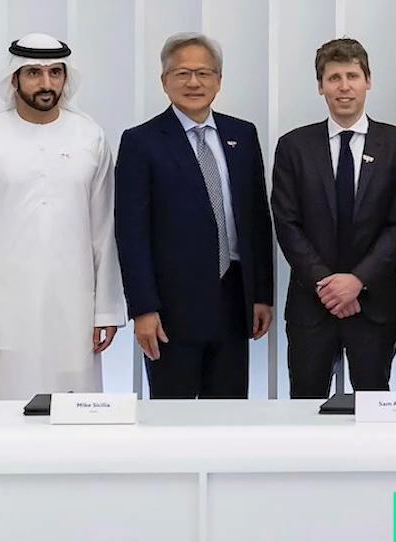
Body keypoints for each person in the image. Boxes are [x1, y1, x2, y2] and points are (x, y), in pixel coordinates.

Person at [0, 35, 124, 398]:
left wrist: (106, 311)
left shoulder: (90, 138)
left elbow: (105, 231)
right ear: (14, 78)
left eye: (55, 73)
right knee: (1, 412)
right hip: (1, 311)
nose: (46, 83)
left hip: (73, 308)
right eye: (33, 73)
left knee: (72, 413)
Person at [114, 33, 275, 400]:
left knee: (229, 413)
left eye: (203, 73)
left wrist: (261, 295)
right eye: (182, 73)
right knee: (172, 416)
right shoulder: (141, 141)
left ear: (218, 80)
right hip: (171, 307)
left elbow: (256, 221)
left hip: (234, 299)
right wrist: (143, 308)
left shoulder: (242, 135)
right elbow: (131, 233)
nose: (193, 83)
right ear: (164, 81)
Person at [272, 38, 396, 396]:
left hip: (375, 303)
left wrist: (357, 281)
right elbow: (287, 223)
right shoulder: (294, 147)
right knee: (304, 404)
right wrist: (328, 285)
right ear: (320, 86)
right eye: (334, 77)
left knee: (374, 406)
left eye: (352, 76)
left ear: (368, 80)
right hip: (312, 302)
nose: (344, 86)